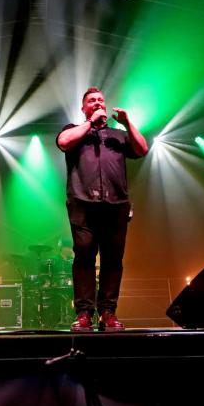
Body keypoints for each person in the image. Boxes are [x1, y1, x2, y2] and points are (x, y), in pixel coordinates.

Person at [56, 87, 148, 331]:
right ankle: (84, 313)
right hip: (82, 203)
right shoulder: (73, 130)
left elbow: (142, 149)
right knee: (84, 256)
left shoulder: (117, 135)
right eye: (92, 101)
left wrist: (127, 123)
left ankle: (108, 312)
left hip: (116, 205)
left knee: (113, 260)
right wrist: (89, 123)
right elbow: (63, 143)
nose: (97, 103)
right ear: (84, 108)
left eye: (100, 100)